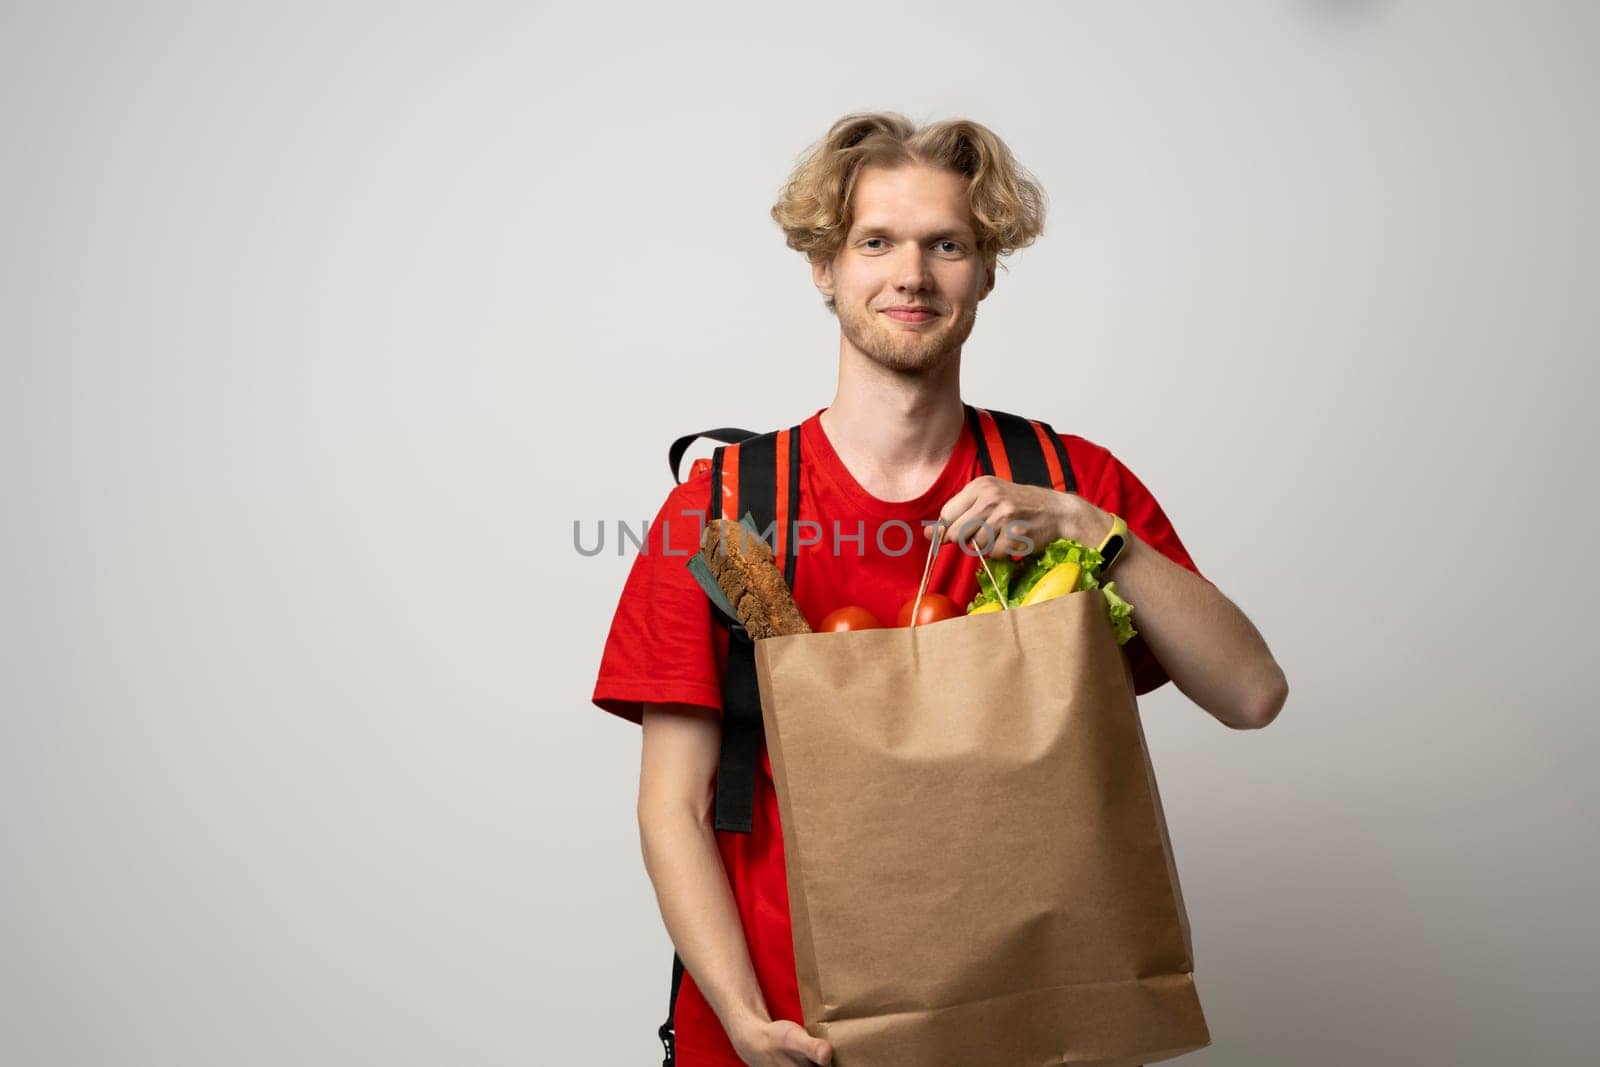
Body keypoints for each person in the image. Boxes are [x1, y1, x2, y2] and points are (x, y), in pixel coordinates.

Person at [592, 112, 1288, 1067]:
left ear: (987, 270)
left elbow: (1252, 694)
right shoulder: (722, 513)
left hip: (1023, 1031)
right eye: (875, 241)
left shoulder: (1069, 482)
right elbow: (673, 803)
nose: (911, 274)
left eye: (946, 244)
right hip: (790, 1038)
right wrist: (745, 1022)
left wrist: (1096, 533)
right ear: (823, 267)